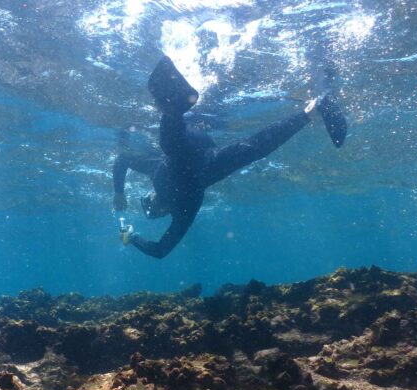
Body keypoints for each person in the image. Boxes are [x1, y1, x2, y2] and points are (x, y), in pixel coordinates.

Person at [113, 55, 347, 259]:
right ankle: (316, 106)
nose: (151, 202)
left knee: (249, 148)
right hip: (203, 157)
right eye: (151, 206)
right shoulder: (179, 206)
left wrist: (129, 226)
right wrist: (121, 198)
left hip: (197, 154)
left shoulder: (178, 207)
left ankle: (310, 112)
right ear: (159, 208)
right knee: (250, 148)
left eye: (148, 203)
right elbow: (160, 250)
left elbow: (160, 250)